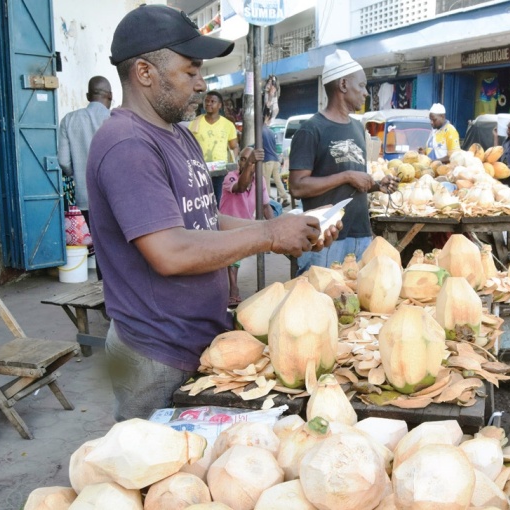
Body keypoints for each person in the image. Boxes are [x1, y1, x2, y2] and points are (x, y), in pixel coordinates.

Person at [86, 4, 339, 421]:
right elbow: (170, 251)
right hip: (155, 354)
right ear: (145, 73)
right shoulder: (126, 145)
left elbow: (204, 218)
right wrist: (269, 235)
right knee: (159, 475)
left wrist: (283, 229)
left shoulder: (178, 135)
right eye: (190, 71)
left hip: (199, 338)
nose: (202, 84)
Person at [288, 49, 398, 273]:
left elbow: (351, 183)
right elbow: (297, 186)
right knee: (320, 302)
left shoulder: (358, 127)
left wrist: (376, 184)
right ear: (344, 85)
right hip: (326, 238)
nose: (366, 93)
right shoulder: (311, 130)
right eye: (361, 86)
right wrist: (347, 176)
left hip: (360, 234)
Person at [57, 75, 113, 279]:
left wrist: (79, 174)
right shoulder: (116, 118)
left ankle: (105, 294)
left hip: (86, 195)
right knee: (121, 246)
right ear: (110, 96)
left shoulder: (69, 120)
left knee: (100, 247)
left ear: (88, 95)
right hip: (116, 195)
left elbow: (63, 161)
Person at [220, 146, 273, 307]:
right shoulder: (230, 177)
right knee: (232, 256)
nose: (244, 163)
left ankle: (232, 288)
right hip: (226, 225)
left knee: (233, 257)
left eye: (248, 160)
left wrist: (275, 227)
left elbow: (265, 206)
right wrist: (251, 163)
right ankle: (233, 289)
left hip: (245, 225)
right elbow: (240, 187)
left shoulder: (259, 180)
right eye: (242, 159)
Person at [189, 90, 239, 205]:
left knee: (218, 201)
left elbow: (234, 147)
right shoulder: (195, 122)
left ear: (219, 105)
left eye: (213, 101)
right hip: (200, 169)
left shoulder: (228, 125)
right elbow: (188, 145)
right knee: (201, 201)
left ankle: (217, 221)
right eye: (206, 101)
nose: (209, 104)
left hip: (220, 171)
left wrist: (231, 164)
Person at [261, 107, 289, 208]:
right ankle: (285, 197)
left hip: (267, 160)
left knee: (266, 181)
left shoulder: (259, 131)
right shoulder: (271, 132)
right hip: (275, 159)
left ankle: (267, 202)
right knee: (277, 180)